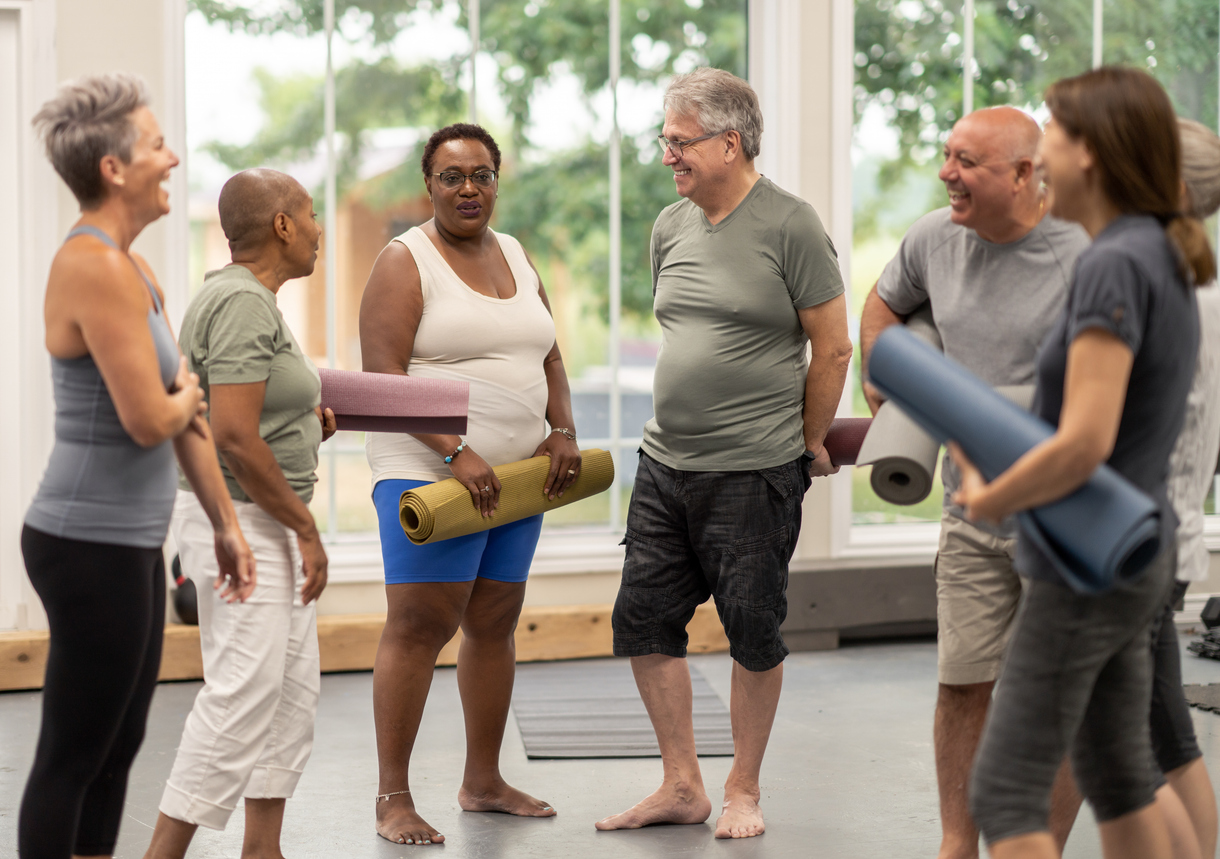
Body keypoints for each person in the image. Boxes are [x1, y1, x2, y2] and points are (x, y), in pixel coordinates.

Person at [954, 66, 1214, 859]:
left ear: (1092, 154)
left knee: (1005, 787)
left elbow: (1085, 440)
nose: (1043, 156)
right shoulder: (1151, 253)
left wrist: (993, 496)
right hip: (1128, 546)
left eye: (1054, 137)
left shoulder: (1115, 263)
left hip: (1090, 558)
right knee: (1120, 768)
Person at [595, 67, 852, 840]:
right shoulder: (670, 226)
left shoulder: (791, 225)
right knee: (642, 618)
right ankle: (682, 783)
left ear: (729, 142)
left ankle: (743, 787)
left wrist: (806, 444)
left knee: (753, 627)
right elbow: (687, 330)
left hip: (754, 469)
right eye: (665, 140)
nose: (666, 155)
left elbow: (833, 348)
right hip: (665, 463)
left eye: (679, 142)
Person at [19, 73, 255, 859]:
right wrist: (184, 390)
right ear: (115, 168)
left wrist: (225, 524)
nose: (174, 158)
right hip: (84, 541)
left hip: (129, 542)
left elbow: (185, 416)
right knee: (72, 752)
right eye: (157, 144)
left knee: (119, 745)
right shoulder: (92, 265)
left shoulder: (137, 270)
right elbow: (151, 417)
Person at [858, 106, 1090, 858]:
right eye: (946, 154)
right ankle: (957, 842)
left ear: (1024, 175)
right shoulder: (934, 236)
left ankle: (1038, 849)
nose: (946, 173)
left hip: (1065, 520)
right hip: (969, 511)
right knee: (962, 683)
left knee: (1055, 698)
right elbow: (883, 306)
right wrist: (881, 376)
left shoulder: (1086, 252)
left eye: (967, 162)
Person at [359, 122, 581, 847]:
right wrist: (455, 451)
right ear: (429, 185)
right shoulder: (404, 260)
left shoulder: (516, 253)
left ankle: (482, 779)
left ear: (496, 179)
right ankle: (394, 796)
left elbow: (549, 354)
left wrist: (563, 430)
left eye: (480, 174)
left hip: (515, 478)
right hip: (427, 471)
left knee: (493, 621)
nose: (467, 188)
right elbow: (382, 380)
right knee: (421, 624)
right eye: (451, 175)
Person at [142, 169, 336, 859]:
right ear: (282, 225)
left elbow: (252, 414)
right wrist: (307, 530)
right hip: (247, 522)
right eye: (310, 214)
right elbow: (231, 434)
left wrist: (308, 426)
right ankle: (160, 853)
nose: (319, 229)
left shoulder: (253, 301)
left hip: (267, 518)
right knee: (242, 693)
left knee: (288, 693)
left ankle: (264, 849)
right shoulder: (241, 301)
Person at [1149, 117, 1220, 859]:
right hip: (1156, 539)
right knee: (1163, 731)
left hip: (1138, 544)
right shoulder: (1183, 281)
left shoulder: (1174, 291)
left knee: (1143, 747)